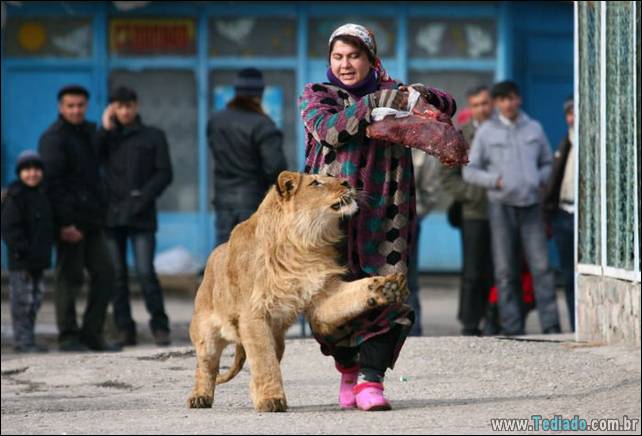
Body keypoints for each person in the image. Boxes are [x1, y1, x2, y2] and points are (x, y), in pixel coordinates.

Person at [299, 23, 456, 411]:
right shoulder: (317, 95)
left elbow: (445, 106)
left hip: (387, 211)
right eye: (338, 57)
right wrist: (372, 105)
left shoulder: (393, 92)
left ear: (371, 59)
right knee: (328, 298)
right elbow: (330, 130)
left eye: (354, 56)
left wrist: (417, 95)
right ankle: (347, 369)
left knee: (386, 291)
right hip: (330, 218)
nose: (346, 64)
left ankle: (372, 381)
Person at [463, 80, 561, 336]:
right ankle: (512, 326)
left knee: (541, 267)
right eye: (502, 99)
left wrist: (536, 179)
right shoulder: (486, 132)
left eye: (512, 98)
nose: (508, 103)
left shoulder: (534, 128)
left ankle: (551, 325)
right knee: (505, 270)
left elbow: (547, 163)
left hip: (531, 207)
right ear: (497, 103)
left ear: (519, 99)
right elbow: (470, 170)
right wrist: (495, 181)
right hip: (500, 207)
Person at [38, 84, 120, 352]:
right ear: (61, 107)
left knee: (106, 273)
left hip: (92, 220)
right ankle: (68, 337)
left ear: (86, 106)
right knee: (69, 278)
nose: (75, 110)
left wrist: (107, 129)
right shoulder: (53, 138)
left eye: (80, 105)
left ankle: (91, 334)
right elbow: (52, 184)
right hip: (69, 222)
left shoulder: (88, 132)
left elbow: (98, 161)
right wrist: (64, 224)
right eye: (70, 106)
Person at [97, 86, 173, 347]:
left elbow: (165, 173)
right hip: (111, 216)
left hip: (142, 215)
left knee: (145, 272)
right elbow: (90, 162)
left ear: (136, 106)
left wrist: (143, 196)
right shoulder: (105, 138)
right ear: (112, 109)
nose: (125, 111)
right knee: (116, 275)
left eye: (128, 106)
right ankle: (124, 329)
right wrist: (105, 129)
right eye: (119, 106)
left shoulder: (153, 136)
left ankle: (160, 327)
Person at [207, 68, 288, 246]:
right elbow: (275, 167)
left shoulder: (216, 120)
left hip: (222, 196)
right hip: (253, 197)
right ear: (259, 93)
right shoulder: (263, 123)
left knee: (224, 250)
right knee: (251, 249)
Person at [440, 85, 494, 336]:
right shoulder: (461, 137)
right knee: (473, 271)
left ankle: (497, 319)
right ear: (470, 108)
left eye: (485, 103)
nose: (481, 109)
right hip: (474, 214)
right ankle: (470, 322)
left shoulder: (503, 132)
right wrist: (474, 195)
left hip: (505, 211)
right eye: (476, 104)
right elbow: (449, 177)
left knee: (501, 270)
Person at [1, 151, 54, 353]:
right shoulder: (15, 196)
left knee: (36, 300)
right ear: (19, 173)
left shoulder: (42, 195)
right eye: (27, 169)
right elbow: (10, 229)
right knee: (22, 302)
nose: (32, 174)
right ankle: (22, 341)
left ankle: (29, 338)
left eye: (36, 169)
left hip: (38, 261)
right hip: (21, 261)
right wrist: (22, 250)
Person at [543, 96, 575, 331]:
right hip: (563, 212)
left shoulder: (596, 142)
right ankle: (575, 324)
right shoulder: (565, 143)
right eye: (569, 113)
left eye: (576, 112)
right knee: (568, 275)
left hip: (582, 215)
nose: (573, 118)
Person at [407, 151, 441, 336]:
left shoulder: (421, 152)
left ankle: (414, 332)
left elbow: (430, 190)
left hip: (409, 220)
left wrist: (418, 214)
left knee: (409, 281)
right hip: (377, 220)